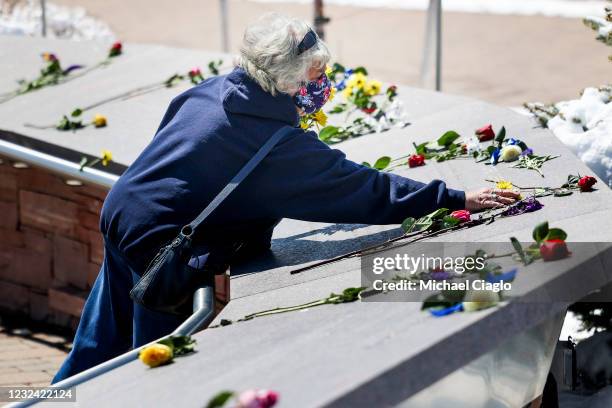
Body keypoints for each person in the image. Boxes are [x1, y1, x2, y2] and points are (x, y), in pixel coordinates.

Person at [52, 13, 519, 383]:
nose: (325, 82)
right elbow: (362, 190)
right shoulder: (276, 146)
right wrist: (453, 196)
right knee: (142, 370)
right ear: (287, 80)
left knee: (95, 346)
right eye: (317, 73)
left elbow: (174, 144)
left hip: (121, 211)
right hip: (157, 248)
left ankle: (49, 401)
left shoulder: (214, 90)